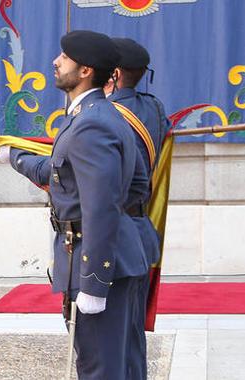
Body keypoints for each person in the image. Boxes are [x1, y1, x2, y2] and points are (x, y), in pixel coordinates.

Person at [0, 30, 149, 379]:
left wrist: (94, 282)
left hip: (96, 264)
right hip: (117, 256)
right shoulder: (104, 115)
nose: (55, 62)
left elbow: (102, 207)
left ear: (85, 71)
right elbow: (135, 185)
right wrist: (16, 157)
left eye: (64, 58)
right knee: (123, 364)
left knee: (101, 369)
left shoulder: (90, 124)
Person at [105, 37, 172, 380]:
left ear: (113, 73)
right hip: (142, 234)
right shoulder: (155, 108)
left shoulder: (103, 114)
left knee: (105, 340)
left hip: (113, 236)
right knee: (132, 335)